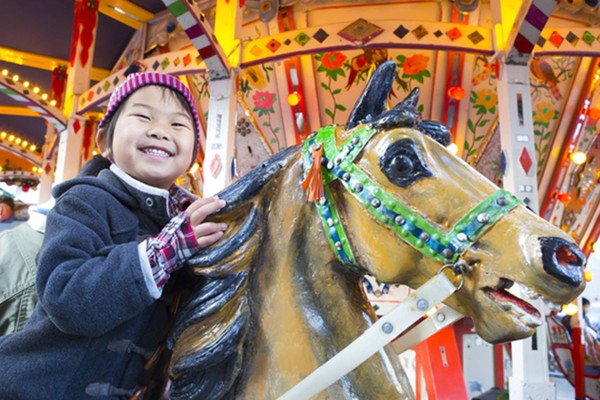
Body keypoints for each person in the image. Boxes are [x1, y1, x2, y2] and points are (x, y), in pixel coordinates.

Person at [0, 72, 228, 399]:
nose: (160, 130)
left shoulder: (176, 223)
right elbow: (66, 298)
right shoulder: (85, 202)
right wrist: (167, 249)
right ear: (105, 141)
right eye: (143, 116)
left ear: (193, 154)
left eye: (178, 125)